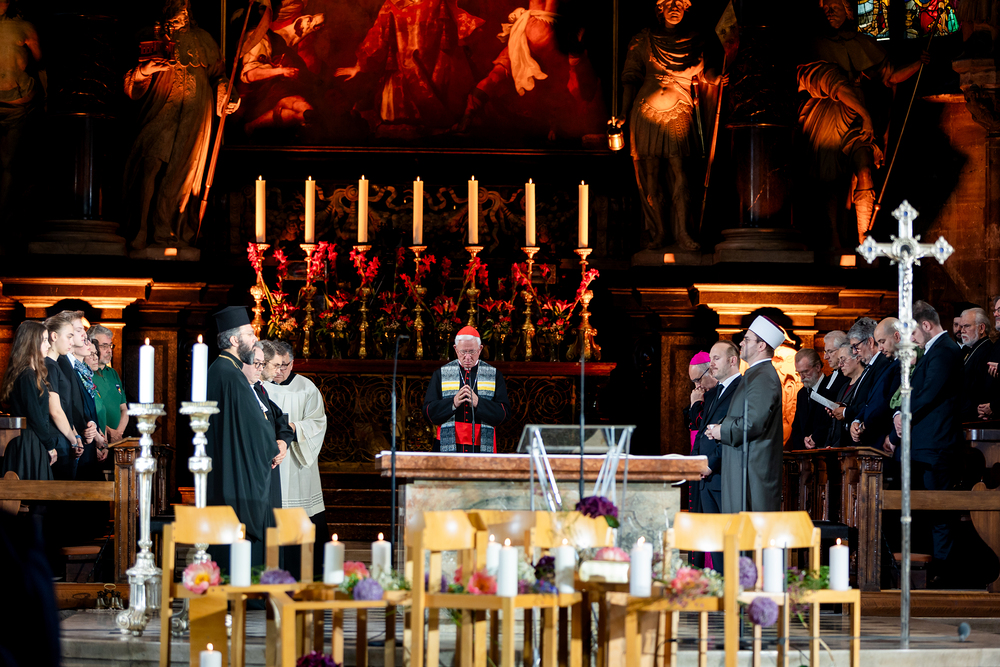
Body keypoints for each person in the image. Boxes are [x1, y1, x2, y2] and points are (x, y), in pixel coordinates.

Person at [797, 0, 928, 246]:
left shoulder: (860, 42)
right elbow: (832, 84)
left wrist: (917, 63)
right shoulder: (814, 45)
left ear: (847, 11)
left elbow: (890, 76)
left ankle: (864, 238)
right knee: (830, 181)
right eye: (825, 7)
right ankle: (833, 239)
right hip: (827, 116)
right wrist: (866, 115)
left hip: (857, 117)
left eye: (835, 6)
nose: (829, 11)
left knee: (865, 169)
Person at [122, 0, 238, 251]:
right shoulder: (150, 34)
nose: (181, 14)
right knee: (150, 163)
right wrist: (144, 71)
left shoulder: (203, 39)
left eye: (184, 9)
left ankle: (166, 228)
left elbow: (218, 75)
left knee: (182, 173)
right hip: (162, 109)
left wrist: (226, 92)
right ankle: (141, 228)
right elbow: (129, 81)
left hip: (195, 116)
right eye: (176, 9)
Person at [616, 0, 722, 250]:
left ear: (686, 8)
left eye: (679, 3)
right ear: (660, 8)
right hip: (646, 112)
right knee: (651, 174)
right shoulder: (643, 39)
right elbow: (630, 78)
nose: (674, 7)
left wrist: (716, 77)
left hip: (679, 109)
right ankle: (660, 231)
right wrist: (622, 113)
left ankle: (683, 231)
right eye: (669, 2)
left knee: (681, 171)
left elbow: (704, 73)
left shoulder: (696, 40)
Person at [206, 306, 283, 564]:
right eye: (250, 334)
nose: (255, 338)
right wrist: (273, 447)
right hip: (235, 474)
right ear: (234, 340)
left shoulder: (225, 369)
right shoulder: (230, 374)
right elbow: (254, 427)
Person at [261, 339, 329, 573]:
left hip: (297, 461)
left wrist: (291, 428)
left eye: (286, 365)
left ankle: (304, 570)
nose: (280, 371)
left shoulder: (306, 387)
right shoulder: (260, 385)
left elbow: (318, 423)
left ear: (293, 363)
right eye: (276, 365)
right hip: (268, 460)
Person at [907, 300, 964, 575]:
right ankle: (930, 569)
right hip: (927, 444)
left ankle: (943, 571)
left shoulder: (944, 351)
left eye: (913, 332)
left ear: (926, 325)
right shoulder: (934, 350)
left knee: (939, 511)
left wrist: (903, 412)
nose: (911, 338)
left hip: (937, 444)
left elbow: (928, 393)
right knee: (929, 511)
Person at [705, 316, 785, 512]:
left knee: (750, 528)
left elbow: (753, 423)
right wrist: (720, 427)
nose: (741, 343)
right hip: (744, 467)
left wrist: (722, 431)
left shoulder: (763, 376)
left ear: (761, 346)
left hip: (752, 473)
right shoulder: (755, 373)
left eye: (747, 339)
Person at [691, 340, 741, 570]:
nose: (711, 363)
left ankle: (732, 587)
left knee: (729, 542)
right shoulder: (714, 392)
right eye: (710, 358)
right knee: (715, 542)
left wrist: (710, 463)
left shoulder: (741, 389)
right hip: (706, 477)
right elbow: (703, 432)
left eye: (716, 358)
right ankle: (721, 587)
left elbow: (734, 433)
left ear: (733, 360)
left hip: (723, 475)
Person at [423, 326, 511, 452]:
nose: (468, 357)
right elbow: (428, 412)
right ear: (455, 349)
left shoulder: (494, 375)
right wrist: (453, 403)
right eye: (463, 352)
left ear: (480, 349)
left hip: (481, 448)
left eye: (472, 352)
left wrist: (478, 403)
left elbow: (504, 414)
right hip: (446, 447)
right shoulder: (440, 374)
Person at [0, 0, 45, 231]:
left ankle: (4, 215)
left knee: (9, 162)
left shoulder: (24, 27)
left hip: (18, 103)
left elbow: (40, 62)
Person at [0, 321, 59, 480]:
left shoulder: (29, 373)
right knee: (32, 492)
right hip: (29, 442)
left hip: (32, 440)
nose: (48, 345)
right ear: (31, 343)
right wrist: (50, 445)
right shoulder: (27, 375)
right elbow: (35, 416)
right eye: (44, 340)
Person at [242, 343, 289, 519]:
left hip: (269, 464)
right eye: (275, 365)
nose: (279, 371)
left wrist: (283, 442)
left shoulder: (260, 391)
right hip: (256, 467)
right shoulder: (245, 389)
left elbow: (279, 420)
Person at [845, 317, 898, 447]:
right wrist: (857, 420)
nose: (854, 352)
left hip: (879, 439)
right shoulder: (871, 366)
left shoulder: (885, 362)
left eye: (856, 347)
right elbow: (870, 401)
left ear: (869, 342)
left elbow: (884, 402)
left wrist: (863, 425)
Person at [42, 314, 83, 478]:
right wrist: (73, 439)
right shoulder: (48, 366)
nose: (72, 342)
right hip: (57, 439)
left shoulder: (56, 365)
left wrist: (75, 435)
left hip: (63, 436)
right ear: (54, 336)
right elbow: (56, 410)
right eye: (69, 336)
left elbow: (65, 407)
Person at [88, 325, 128, 443]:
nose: (109, 350)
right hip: (97, 440)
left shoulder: (112, 373)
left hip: (117, 441)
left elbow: (124, 409)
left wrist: (118, 433)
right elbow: (86, 413)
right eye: (104, 346)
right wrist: (109, 432)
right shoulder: (86, 374)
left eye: (110, 345)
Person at [790, 348, 834, 449]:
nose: (802, 377)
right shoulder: (801, 393)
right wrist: (803, 441)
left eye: (805, 372)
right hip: (804, 452)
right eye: (799, 373)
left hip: (825, 450)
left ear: (818, 367)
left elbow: (830, 423)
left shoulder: (831, 388)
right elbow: (796, 426)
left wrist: (815, 438)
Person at [825, 343, 865, 448]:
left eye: (843, 360)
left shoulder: (865, 383)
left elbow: (864, 408)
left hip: (855, 444)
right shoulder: (844, 386)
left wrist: (845, 411)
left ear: (857, 358)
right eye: (839, 361)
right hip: (838, 446)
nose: (840, 365)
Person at [957, 307, 993, 422]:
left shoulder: (988, 351)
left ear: (981, 328)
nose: (962, 331)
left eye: (967, 326)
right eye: (961, 327)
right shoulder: (969, 350)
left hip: (975, 418)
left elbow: (980, 389)